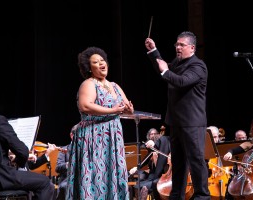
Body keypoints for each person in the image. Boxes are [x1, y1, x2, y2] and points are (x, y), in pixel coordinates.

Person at [145, 31, 210, 199]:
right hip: (176, 122)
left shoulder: (198, 66)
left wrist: (166, 72)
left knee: (196, 162)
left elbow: (181, 81)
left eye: (181, 45)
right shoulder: (177, 63)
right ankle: (176, 196)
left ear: (192, 47)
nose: (178, 47)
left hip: (192, 123)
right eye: (176, 44)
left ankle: (202, 196)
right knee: (178, 163)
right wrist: (154, 52)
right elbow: (163, 69)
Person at [66, 47, 134, 200]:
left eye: (102, 60)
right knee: (96, 176)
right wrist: (114, 110)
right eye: (95, 62)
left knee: (113, 174)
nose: (101, 63)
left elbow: (125, 109)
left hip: (112, 136)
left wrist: (128, 109)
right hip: (93, 136)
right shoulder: (89, 84)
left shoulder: (115, 86)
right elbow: (85, 105)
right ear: (90, 69)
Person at [0, 115, 55, 200]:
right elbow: (22, 151)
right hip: (2, 176)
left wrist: (12, 158)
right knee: (46, 183)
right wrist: (19, 162)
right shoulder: (0, 120)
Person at [130, 135, 171, 200]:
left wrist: (156, 160)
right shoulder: (155, 152)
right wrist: (137, 167)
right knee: (137, 185)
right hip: (156, 177)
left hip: (164, 178)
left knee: (150, 184)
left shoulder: (166, 144)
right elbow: (146, 161)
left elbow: (162, 170)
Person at [55, 124, 76, 200]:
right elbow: (57, 168)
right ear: (71, 135)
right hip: (67, 180)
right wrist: (68, 164)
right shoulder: (63, 150)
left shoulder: (85, 150)